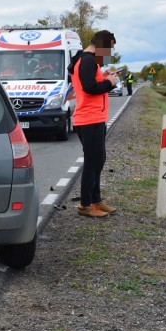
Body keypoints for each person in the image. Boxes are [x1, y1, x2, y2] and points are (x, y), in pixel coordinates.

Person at [67, 30, 119, 218]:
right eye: (108, 48)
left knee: (98, 160)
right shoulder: (88, 60)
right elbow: (89, 88)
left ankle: (96, 200)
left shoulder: (87, 60)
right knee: (92, 162)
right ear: (100, 45)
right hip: (89, 118)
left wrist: (103, 77)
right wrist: (110, 83)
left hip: (94, 118)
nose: (108, 53)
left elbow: (89, 82)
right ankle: (85, 205)